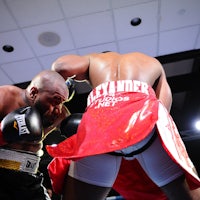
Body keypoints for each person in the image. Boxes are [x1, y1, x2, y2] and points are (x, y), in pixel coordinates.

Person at [46, 52, 200, 200]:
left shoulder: (94, 59)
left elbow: (61, 66)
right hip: (144, 123)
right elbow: (163, 110)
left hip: (100, 129)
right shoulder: (152, 62)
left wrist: (65, 90)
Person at [0, 70, 70, 200]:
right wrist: (4, 135)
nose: (58, 109)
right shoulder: (4, 97)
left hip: (29, 177)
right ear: (33, 93)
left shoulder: (60, 115)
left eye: (62, 102)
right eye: (56, 100)